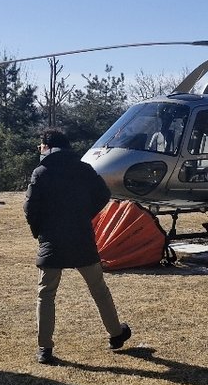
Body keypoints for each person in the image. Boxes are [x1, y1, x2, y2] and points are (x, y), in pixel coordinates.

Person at [24, 128, 131, 365]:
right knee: (98, 288)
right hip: (82, 237)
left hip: (51, 239)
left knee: (46, 294)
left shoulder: (41, 172)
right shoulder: (83, 169)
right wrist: (84, 215)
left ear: (47, 146)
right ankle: (116, 333)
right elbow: (103, 194)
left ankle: (44, 348)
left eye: (41, 145)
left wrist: (40, 231)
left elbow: (30, 208)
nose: (39, 149)